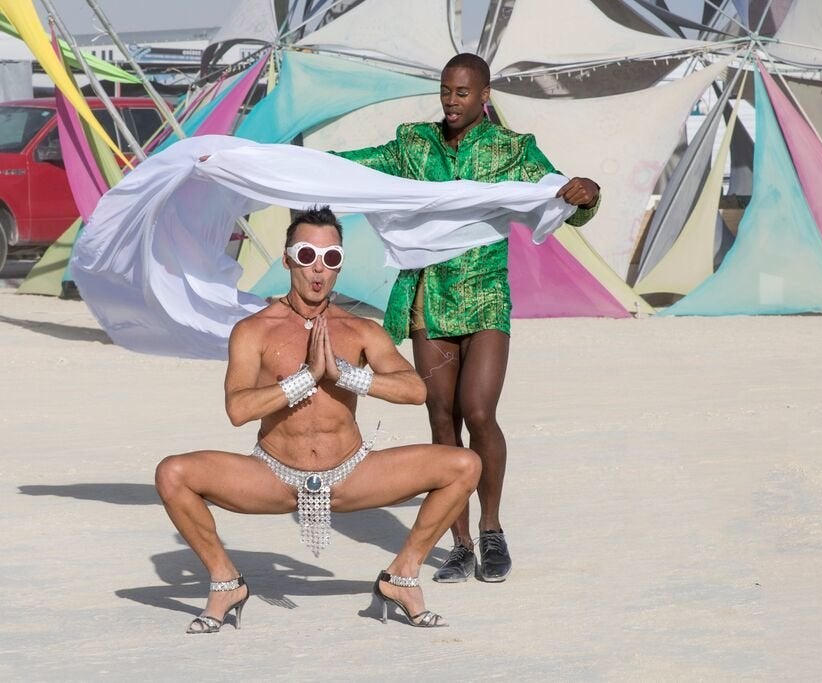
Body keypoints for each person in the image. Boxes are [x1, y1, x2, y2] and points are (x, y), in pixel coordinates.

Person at [331, 53, 601, 583]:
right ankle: (457, 543)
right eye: (446, 91)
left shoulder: (510, 149)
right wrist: (279, 165)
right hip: (428, 298)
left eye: (462, 93)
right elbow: (353, 166)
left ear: (484, 96)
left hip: (485, 296)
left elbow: (560, 192)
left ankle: (491, 528)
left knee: (478, 412)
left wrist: (587, 193)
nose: (451, 102)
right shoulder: (413, 144)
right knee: (441, 419)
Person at [154, 206, 481, 632]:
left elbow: (414, 389)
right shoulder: (254, 330)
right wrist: (306, 378)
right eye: (307, 255)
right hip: (273, 475)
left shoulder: (359, 330)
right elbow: (238, 409)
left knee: (464, 465)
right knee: (173, 473)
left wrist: (345, 375)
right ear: (287, 259)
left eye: (331, 258)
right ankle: (225, 582)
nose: (318, 269)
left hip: (351, 472)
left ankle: (402, 576)